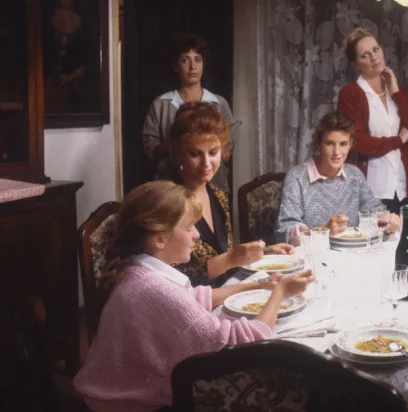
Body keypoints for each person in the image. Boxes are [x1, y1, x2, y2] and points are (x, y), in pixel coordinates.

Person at [73, 181, 315, 411]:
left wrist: (260, 286)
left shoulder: (139, 271)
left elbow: (196, 297)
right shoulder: (154, 291)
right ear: (160, 239)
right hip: (128, 406)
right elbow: (243, 344)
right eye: (189, 227)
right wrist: (280, 294)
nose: (196, 235)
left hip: (112, 397)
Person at [169, 102, 293, 287]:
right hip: (190, 299)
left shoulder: (218, 195)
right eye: (195, 154)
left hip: (227, 290)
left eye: (213, 152)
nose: (206, 163)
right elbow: (174, 279)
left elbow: (223, 256)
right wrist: (231, 258)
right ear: (178, 153)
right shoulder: (168, 203)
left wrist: (264, 251)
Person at [337, 27, 408, 214]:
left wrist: (396, 92)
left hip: (400, 188)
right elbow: (357, 142)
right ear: (355, 64)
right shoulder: (350, 93)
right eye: (365, 55)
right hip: (370, 190)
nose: (374, 58)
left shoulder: (398, 91)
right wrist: (398, 140)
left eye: (376, 49)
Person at [276, 111, 399, 245]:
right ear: (319, 144)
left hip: (353, 253)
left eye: (343, 144)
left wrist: (388, 220)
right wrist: (324, 230)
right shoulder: (296, 177)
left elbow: (374, 212)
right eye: (329, 143)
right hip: (314, 254)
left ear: (350, 144)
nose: (337, 152)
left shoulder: (355, 175)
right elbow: (284, 231)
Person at [141, 33, 237, 192]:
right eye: (185, 60)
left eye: (198, 60)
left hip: (213, 184)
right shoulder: (161, 104)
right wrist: (177, 146)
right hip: (171, 186)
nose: (193, 67)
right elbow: (149, 145)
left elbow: (230, 143)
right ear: (175, 66)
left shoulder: (219, 103)